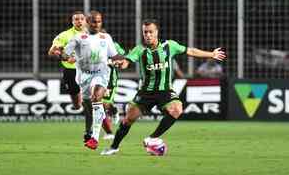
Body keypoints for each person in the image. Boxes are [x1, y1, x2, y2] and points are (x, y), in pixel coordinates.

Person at [101, 19, 226, 155]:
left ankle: (152, 138)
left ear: (157, 32)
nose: (148, 35)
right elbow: (126, 62)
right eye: (145, 32)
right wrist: (120, 63)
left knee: (176, 109)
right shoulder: (140, 50)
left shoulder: (169, 46)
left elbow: (190, 51)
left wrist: (211, 54)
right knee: (128, 119)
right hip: (146, 92)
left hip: (165, 91)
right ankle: (114, 147)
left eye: (150, 32)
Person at [62, 10, 123, 150]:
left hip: (101, 74)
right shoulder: (78, 37)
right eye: (94, 21)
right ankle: (108, 112)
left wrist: (122, 61)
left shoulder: (106, 37)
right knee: (89, 106)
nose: (97, 24)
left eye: (99, 21)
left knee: (96, 98)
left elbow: (114, 55)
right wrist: (66, 57)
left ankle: (94, 138)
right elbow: (65, 54)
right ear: (88, 22)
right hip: (83, 76)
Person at [48, 11, 95, 143]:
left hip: (89, 72)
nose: (79, 21)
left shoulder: (93, 34)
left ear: (86, 20)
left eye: (81, 19)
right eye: (76, 19)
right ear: (72, 22)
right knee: (77, 105)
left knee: (90, 102)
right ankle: (81, 107)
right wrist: (62, 55)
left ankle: (90, 131)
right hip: (71, 71)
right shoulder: (65, 35)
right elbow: (52, 51)